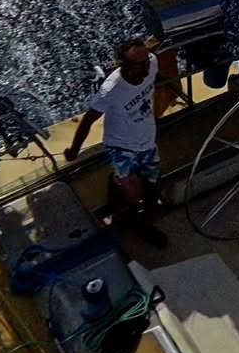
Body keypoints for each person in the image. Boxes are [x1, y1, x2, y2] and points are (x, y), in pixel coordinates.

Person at [64, 37, 168, 247]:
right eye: (141, 63)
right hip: (120, 145)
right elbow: (88, 121)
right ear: (126, 66)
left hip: (147, 140)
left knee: (153, 184)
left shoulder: (152, 63)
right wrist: (74, 150)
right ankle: (137, 219)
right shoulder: (111, 90)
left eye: (147, 59)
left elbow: (152, 82)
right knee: (134, 191)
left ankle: (121, 191)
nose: (148, 65)